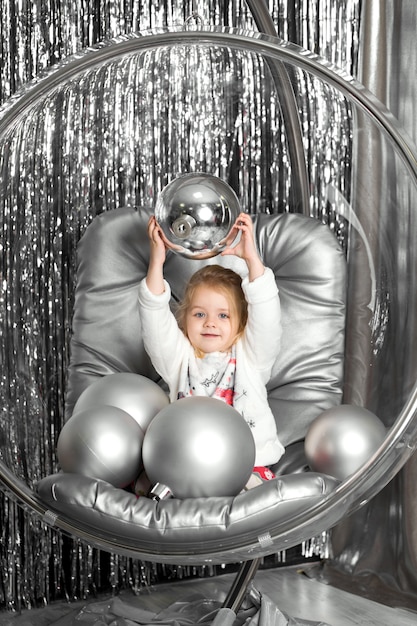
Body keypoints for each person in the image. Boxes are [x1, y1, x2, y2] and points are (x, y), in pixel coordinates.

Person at [138, 211, 284, 489]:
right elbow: (155, 320)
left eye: (223, 316)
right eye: (200, 315)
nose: (210, 324)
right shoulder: (180, 359)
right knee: (145, 484)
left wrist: (252, 259)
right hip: (187, 464)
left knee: (254, 493)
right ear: (185, 320)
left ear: (241, 324)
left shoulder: (251, 357)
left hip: (245, 465)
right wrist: (157, 262)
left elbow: (266, 317)